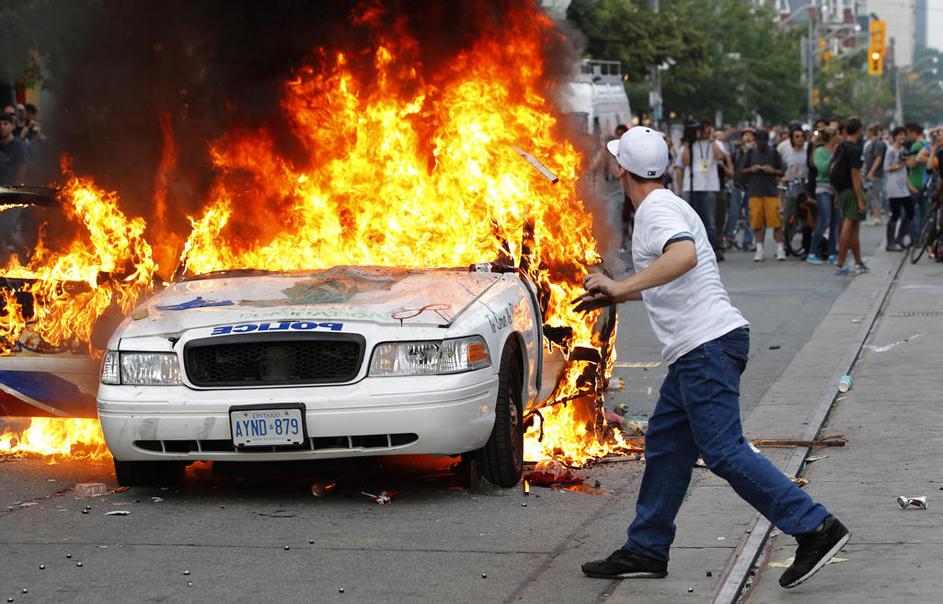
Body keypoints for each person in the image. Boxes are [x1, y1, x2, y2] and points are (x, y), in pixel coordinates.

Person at [576, 126, 850, 589]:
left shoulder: (657, 210)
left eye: (613, 159)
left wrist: (620, 286)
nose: (609, 164)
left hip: (707, 348)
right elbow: (673, 278)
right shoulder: (666, 204)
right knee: (666, 447)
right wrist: (618, 295)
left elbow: (682, 257)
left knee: (723, 451)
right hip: (698, 351)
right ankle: (647, 546)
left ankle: (815, 528)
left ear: (623, 168)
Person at [681, 120, 728, 250]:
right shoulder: (690, 144)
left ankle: (710, 249)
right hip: (690, 187)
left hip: (708, 187)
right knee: (689, 222)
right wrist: (686, 142)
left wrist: (712, 140)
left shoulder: (716, 143)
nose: (702, 132)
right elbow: (685, 162)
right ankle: (692, 249)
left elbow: (720, 157)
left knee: (709, 222)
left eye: (705, 129)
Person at [830, 118, 868, 276]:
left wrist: (837, 193)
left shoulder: (841, 147)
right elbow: (855, 176)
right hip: (851, 191)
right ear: (859, 130)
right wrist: (860, 199)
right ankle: (840, 263)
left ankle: (858, 262)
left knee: (854, 228)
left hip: (841, 190)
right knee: (848, 224)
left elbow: (833, 168)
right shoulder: (854, 150)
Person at [742, 130, 785, 261]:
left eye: (764, 141)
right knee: (757, 223)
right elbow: (742, 170)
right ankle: (759, 250)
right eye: (759, 141)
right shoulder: (751, 153)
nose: (761, 143)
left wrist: (772, 171)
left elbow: (782, 171)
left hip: (771, 192)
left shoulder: (774, 152)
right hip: (755, 192)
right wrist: (752, 169)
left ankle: (780, 249)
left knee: (776, 222)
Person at [807, 128, 840, 264]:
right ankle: (812, 252)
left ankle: (832, 253)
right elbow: (822, 168)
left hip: (836, 189)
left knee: (835, 222)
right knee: (824, 221)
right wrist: (833, 156)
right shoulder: (820, 151)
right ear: (831, 137)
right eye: (836, 135)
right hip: (823, 188)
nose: (838, 137)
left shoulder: (839, 150)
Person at [725, 128, 756, 251]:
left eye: (751, 136)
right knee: (733, 214)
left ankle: (747, 241)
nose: (748, 138)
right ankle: (729, 238)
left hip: (751, 188)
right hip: (737, 187)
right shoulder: (736, 153)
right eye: (746, 135)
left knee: (749, 216)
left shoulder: (756, 153)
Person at [883, 126, 913, 251]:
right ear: (894, 136)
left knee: (910, 212)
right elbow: (886, 168)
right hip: (893, 186)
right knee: (895, 214)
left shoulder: (904, 150)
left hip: (903, 186)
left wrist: (909, 186)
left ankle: (900, 238)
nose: (902, 137)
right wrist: (901, 164)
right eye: (899, 135)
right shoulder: (890, 151)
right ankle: (890, 243)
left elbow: (905, 171)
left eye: (903, 135)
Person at [905, 123, 931, 242]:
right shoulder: (927, 144)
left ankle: (915, 239)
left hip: (915, 181)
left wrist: (903, 161)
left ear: (913, 132)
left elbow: (912, 164)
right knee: (923, 212)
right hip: (925, 181)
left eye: (907, 133)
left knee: (911, 212)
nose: (907, 136)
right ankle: (924, 238)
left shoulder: (916, 145)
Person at [781, 126, 808, 236]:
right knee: (788, 218)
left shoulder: (808, 154)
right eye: (797, 137)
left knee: (807, 218)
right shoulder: (787, 154)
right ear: (792, 139)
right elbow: (782, 171)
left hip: (805, 190)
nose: (800, 139)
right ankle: (787, 242)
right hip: (791, 190)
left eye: (802, 136)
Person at [863, 124, 887, 226]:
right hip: (871, 172)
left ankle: (877, 217)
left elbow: (878, 158)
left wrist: (871, 171)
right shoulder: (871, 143)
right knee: (873, 194)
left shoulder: (877, 143)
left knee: (875, 195)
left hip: (875, 173)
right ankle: (876, 216)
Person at [0, 113, 28, 186]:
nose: (2, 127)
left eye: (5, 124)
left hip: (12, 189)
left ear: (12, 126)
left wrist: (16, 189)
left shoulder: (19, 145)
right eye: (0, 124)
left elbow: (22, 169)